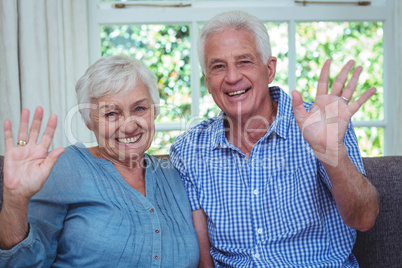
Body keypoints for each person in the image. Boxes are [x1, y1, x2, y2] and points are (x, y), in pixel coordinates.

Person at [170, 10, 379, 267]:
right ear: (207, 80)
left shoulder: (322, 123)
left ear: (269, 69)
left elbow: (365, 218)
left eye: (244, 61)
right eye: (218, 66)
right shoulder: (189, 149)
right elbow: (203, 261)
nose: (232, 77)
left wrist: (330, 152)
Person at [0, 55, 199, 267]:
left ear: (154, 111)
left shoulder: (175, 175)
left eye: (139, 108)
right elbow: (21, 263)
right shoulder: (64, 168)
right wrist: (15, 200)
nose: (129, 126)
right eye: (111, 114)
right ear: (89, 122)